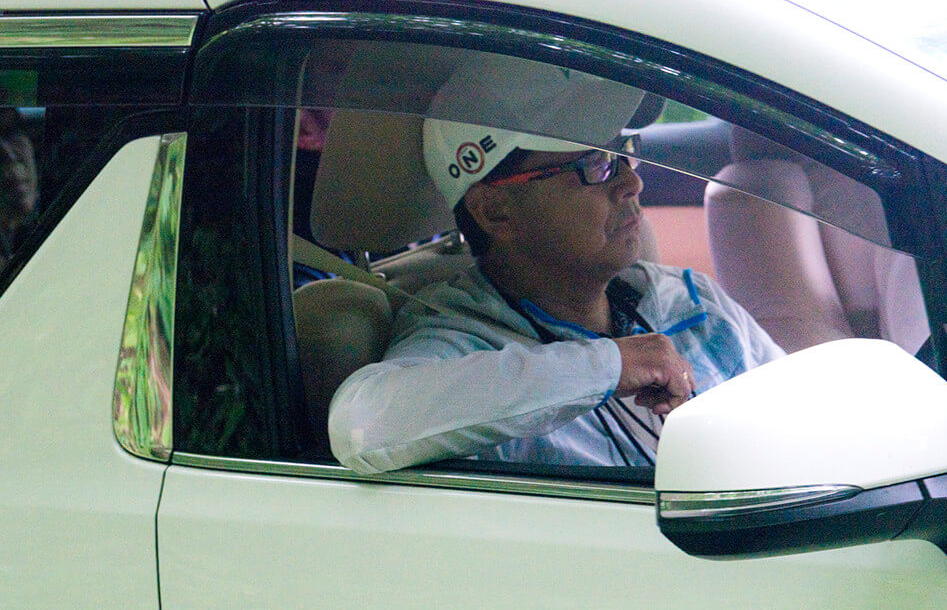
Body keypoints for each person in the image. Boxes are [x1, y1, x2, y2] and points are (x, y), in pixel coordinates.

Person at [329, 56, 783, 473]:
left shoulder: (693, 301)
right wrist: (610, 365)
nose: (632, 182)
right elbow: (360, 425)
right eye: (595, 163)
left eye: (623, 151)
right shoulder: (462, 342)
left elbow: (804, 421)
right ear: (496, 210)